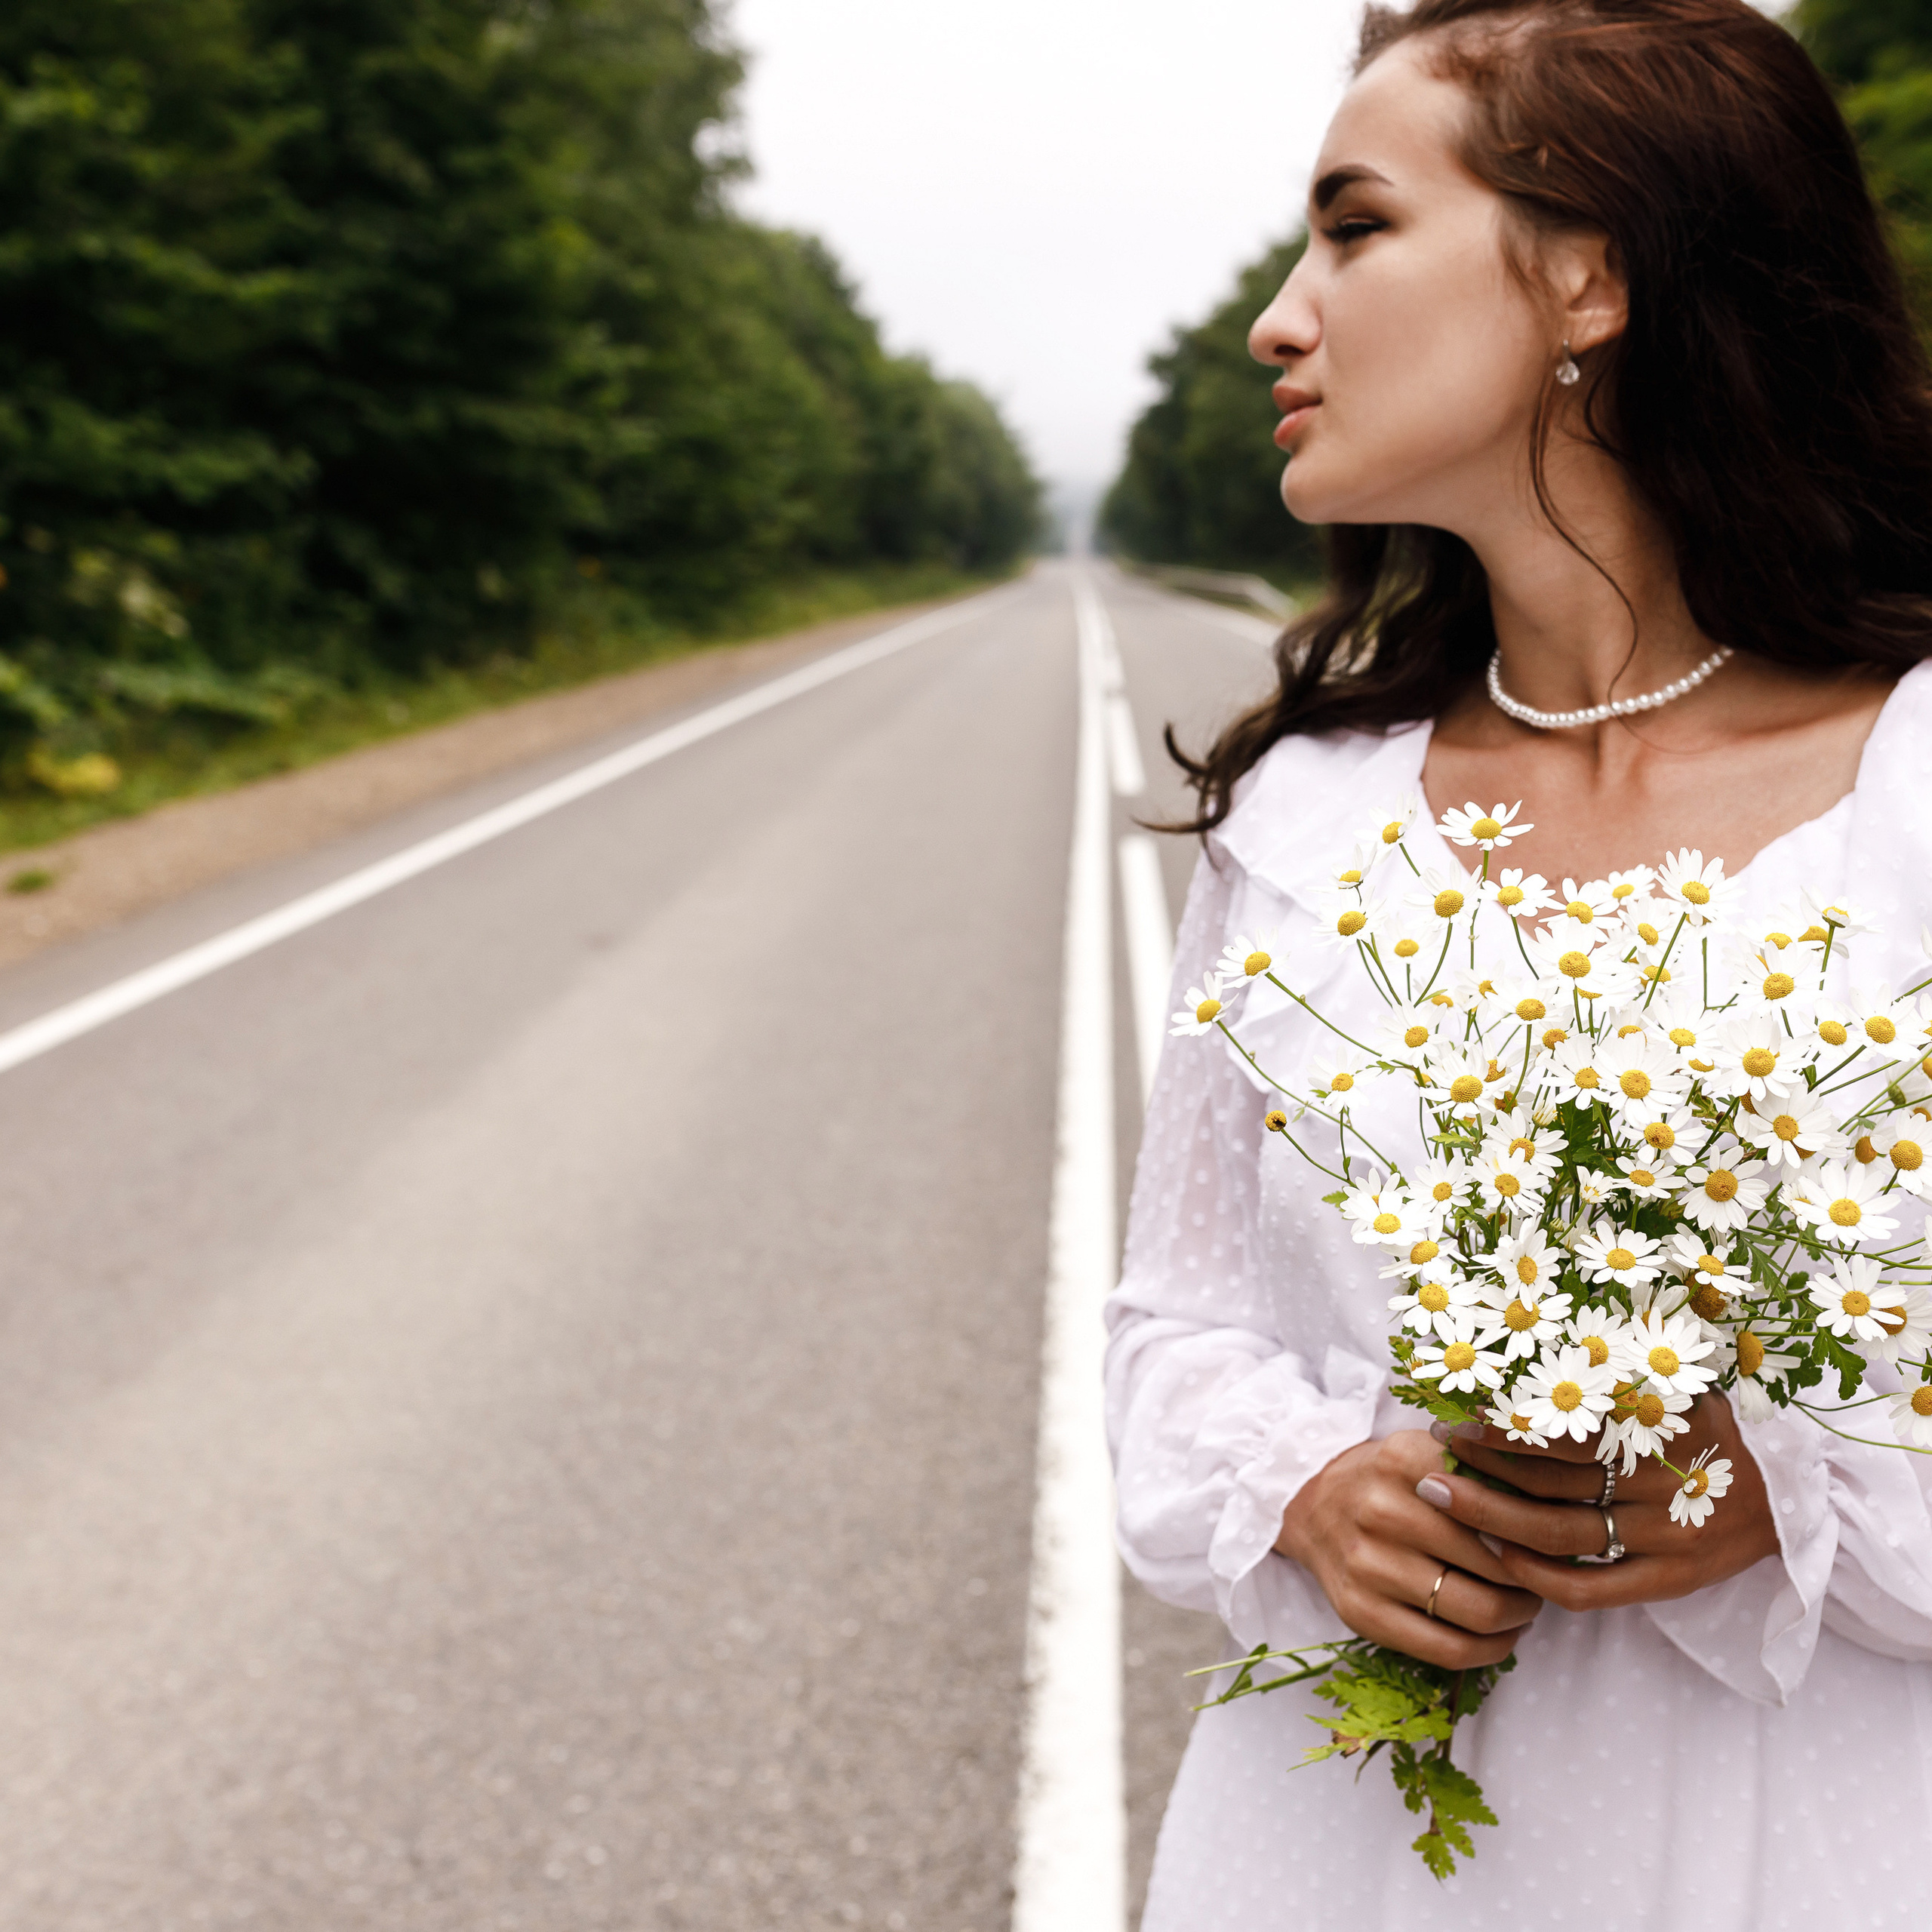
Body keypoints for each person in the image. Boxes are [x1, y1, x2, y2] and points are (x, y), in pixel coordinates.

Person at [1105, 2, 1932, 1924]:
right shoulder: (1304, 817)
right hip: (1354, 1841)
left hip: (1817, 1824)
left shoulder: (1913, 786)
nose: (1278, 321)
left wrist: (1791, 1484)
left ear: (1585, 279)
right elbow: (1175, 1321)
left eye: (1354, 228)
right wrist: (1309, 1486)